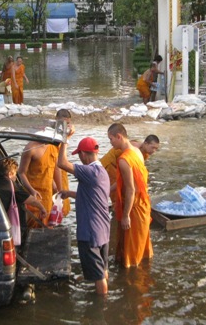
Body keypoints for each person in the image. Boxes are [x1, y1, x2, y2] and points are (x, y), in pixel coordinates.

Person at [57, 136, 111, 295]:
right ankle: (104, 300)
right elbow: (91, 195)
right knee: (103, 268)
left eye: (79, 155)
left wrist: (64, 140)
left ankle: (101, 308)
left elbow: (61, 163)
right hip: (103, 230)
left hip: (90, 232)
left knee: (98, 275)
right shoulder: (102, 172)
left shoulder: (89, 171)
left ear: (83, 154)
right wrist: (69, 193)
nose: (79, 158)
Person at [107, 123, 153, 268]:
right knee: (141, 248)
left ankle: (131, 279)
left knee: (131, 252)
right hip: (143, 204)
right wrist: (107, 190)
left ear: (119, 136)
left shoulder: (123, 160)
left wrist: (126, 215)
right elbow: (124, 181)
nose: (110, 142)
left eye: (111, 139)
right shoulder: (137, 152)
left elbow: (130, 189)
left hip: (134, 208)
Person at [18, 109, 72, 227]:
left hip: (47, 194)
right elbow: (21, 173)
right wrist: (31, 190)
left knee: (48, 226)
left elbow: (55, 168)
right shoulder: (30, 149)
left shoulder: (52, 146)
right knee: (33, 227)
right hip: (34, 196)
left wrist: (58, 189)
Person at [100, 134, 160, 209]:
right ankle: (117, 215)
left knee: (125, 192)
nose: (154, 151)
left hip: (121, 166)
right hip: (110, 165)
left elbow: (137, 171)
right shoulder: (133, 149)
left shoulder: (145, 154)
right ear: (145, 143)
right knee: (117, 196)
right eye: (152, 147)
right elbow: (125, 172)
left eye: (156, 149)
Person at [0, 157, 47, 232]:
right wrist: (42, 208)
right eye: (15, 174)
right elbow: (32, 201)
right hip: (8, 224)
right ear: (10, 174)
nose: (15, 177)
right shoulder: (12, 186)